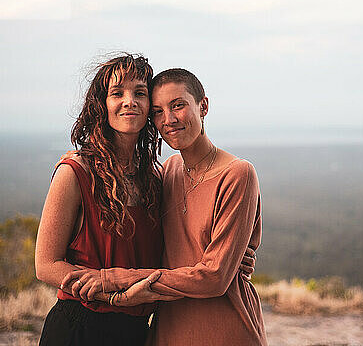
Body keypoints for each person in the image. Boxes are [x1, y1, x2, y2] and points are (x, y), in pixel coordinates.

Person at [62, 68, 268, 345]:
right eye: (157, 111)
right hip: (168, 327)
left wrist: (116, 278)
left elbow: (215, 278)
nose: (168, 120)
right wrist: (83, 160)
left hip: (225, 324)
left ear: (203, 106)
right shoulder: (166, 172)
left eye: (178, 105)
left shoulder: (237, 173)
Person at [35, 54, 178, 346]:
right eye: (117, 93)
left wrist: (233, 259)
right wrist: (115, 294)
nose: (129, 101)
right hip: (80, 329)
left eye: (140, 92)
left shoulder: (153, 178)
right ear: (102, 104)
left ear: (151, 106)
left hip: (137, 332)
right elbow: (46, 265)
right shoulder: (75, 172)